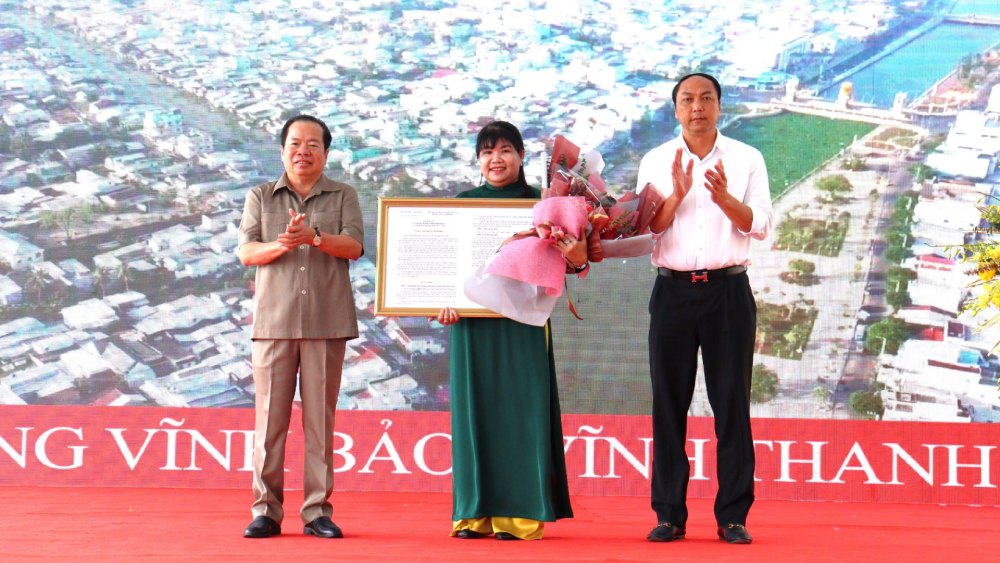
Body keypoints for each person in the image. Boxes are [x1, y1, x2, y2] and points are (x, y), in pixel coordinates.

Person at [637, 73, 773, 545]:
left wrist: (723, 198)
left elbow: (759, 225)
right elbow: (645, 231)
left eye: (706, 98)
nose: (697, 106)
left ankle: (733, 516)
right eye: (688, 99)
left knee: (731, 404)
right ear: (675, 109)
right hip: (672, 293)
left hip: (728, 293)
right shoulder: (655, 160)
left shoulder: (747, 158)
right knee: (667, 405)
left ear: (719, 106)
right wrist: (676, 194)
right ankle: (669, 514)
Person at [436, 120, 582, 541]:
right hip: (472, 323)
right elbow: (448, 270)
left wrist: (573, 252)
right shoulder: (463, 204)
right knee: (473, 411)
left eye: (504, 150)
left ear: (520, 156)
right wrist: (438, 303)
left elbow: (576, 262)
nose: (495, 159)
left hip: (524, 322)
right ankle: (472, 513)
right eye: (486, 152)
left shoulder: (545, 203)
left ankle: (519, 515)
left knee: (523, 411)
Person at [236, 115, 364, 539]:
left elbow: (355, 246)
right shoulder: (260, 196)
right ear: (282, 149)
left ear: (326, 152)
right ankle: (265, 511)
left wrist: (314, 237)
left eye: (313, 144)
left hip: (327, 322)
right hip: (274, 323)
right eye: (295, 143)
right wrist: (282, 244)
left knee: (319, 425)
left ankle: (317, 512)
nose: (303, 151)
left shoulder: (343, 194)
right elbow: (247, 252)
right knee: (269, 423)